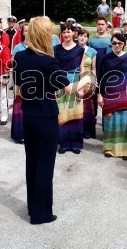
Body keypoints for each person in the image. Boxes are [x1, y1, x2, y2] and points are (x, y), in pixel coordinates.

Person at [13, 16, 90, 225]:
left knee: (32, 164)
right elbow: (70, 89)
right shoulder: (48, 61)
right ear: (44, 36)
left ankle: (32, 207)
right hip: (46, 118)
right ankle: (41, 214)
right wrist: (87, 78)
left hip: (28, 116)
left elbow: (18, 88)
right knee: (45, 167)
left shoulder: (20, 57)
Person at [97, 33, 127, 160]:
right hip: (109, 96)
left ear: (124, 44)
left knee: (125, 124)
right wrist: (99, 95)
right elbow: (100, 78)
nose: (117, 45)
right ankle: (110, 149)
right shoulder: (105, 58)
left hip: (125, 95)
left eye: (119, 43)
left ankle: (126, 151)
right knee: (111, 124)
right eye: (114, 43)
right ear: (111, 44)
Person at [54, 23, 85, 154]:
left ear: (74, 33)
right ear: (61, 34)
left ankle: (76, 144)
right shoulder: (56, 49)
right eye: (64, 32)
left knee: (75, 112)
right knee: (62, 112)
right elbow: (54, 69)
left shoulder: (80, 50)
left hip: (75, 81)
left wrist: (81, 87)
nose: (66, 34)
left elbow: (82, 69)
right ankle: (64, 144)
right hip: (60, 82)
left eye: (68, 31)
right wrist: (54, 88)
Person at [10, 22, 29, 144]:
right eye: (25, 31)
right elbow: (13, 67)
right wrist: (16, 85)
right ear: (22, 33)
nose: (28, 33)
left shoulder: (37, 47)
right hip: (21, 82)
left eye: (30, 30)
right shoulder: (18, 48)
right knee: (20, 109)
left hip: (33, 84)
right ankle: (19, 134)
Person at [77, 29, 97, 139]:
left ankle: (87, 131)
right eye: (80, 35)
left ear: (87, 38)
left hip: (88, 80)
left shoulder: (92, 51)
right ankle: (77, 130)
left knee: (87, 107)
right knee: (76, 106)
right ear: (77, 37)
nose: (82, 38)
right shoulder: (73, 49)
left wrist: (94, 82)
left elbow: (93, 69)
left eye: (84, 36)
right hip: (76, 80)